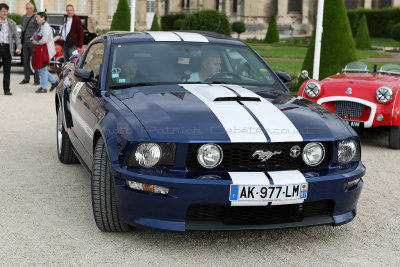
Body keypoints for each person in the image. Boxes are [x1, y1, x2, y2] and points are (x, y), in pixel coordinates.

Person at [31, 12, 57, 93]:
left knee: (42, 69)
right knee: (43, 69)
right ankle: (54, 82)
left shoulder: (46, 27)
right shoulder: (41, 26)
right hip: (43, 51)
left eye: (38, 17)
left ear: (43, 18)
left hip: (47, 51)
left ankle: (44, 87)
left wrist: (35, 41)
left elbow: (44, 40)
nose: (36, 19)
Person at [0, 3, 22, 96]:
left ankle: (6, 90)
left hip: (7, 48)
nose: (5, 13)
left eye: (6, 11)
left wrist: (18, 47)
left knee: (7, 70)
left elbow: (16, 37)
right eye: (3, 11)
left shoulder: (11, 23)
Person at [20, 2, 40, 85]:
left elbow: (39, 29)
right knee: (25, 61)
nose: (28, 10)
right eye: (27, 8)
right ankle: (26, 78)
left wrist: (35, 38)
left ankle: (36, 80)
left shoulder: (36, 17)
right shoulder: (24, 17)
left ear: (33, 9)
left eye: (30, 8)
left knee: (35, 62)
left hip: (33, 43)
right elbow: (23, 29)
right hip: (25, 42)